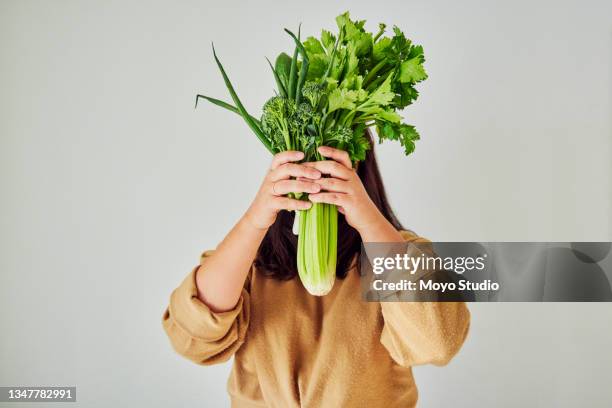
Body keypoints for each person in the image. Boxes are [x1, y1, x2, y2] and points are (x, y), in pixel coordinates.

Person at [162, 134, 470, 407]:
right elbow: (192, 336)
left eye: (334, 171)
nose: (318, 182)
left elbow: (438, 340)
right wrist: (255, 218)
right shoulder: (250, 258)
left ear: (362, 175)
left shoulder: (401, 252)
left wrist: (368, 220)